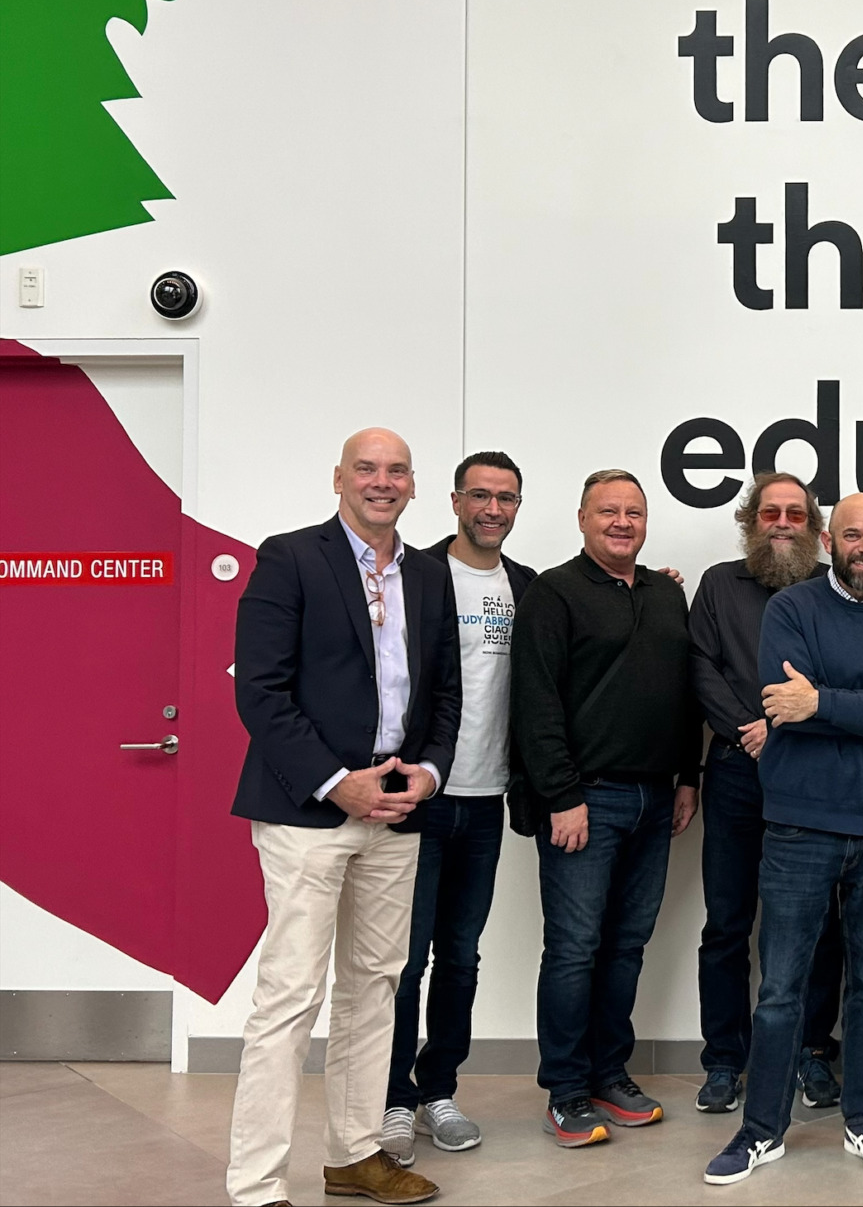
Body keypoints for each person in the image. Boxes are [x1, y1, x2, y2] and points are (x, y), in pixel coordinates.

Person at [226, 428, 461, 1207]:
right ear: (339, 477)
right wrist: (338, 783)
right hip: (306, 814)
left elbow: (445, 694)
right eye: (367, 467)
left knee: (376, 986)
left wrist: (424, 773)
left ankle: (356, 1154)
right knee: (289, 995)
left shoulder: (429, 573)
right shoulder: (289, 557)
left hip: (396, 812)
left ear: (414, 486)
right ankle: (257, 1184)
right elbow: (260, 691)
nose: (381, 481)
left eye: (396, 470)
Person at [704, 495, 863, 1187]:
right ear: (827, 539)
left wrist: (826, 702)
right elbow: (787, 703)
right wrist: (853, 708)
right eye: (853, 535)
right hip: (799, 823)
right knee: (780, 987)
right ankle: (760, 1130)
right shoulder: (791, 609)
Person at [512, 469, 701, 1148]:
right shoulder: (552, 592)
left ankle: (608, 1075)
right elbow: (535, 703)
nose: (622, 522)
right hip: (585, 799)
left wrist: (687, 777)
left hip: (655, 797)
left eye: (634, 512)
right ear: (583, 518)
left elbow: (682, 694)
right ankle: (565, 1091)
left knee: (625, 945)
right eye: (609, 511)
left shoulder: (665, 593)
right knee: (573, 948)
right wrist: (561, 795)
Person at [380, 452, 538, 1168]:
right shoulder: (414, 573)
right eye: (480, 494)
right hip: (416, 796)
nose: (492, 508)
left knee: (461, 958)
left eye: (505, 497)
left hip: (487, 796)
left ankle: (437, 1087)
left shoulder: (527, 586)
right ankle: (389, 1098)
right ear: (453, 500)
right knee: (403, 960)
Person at [688, 473, 847, 1116]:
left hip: (813, 772)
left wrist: (779, 724)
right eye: (769, 512)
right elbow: (700, 664)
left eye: (795, 514)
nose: (782, 522)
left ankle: (811, 1049)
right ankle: (725, 1060)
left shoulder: (836, 587)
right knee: (728, 923)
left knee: (820, 923)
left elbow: (842, 673)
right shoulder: (718, 585)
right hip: (734, 772)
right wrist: (747, 730)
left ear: (814, 528)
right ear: (750, 520)